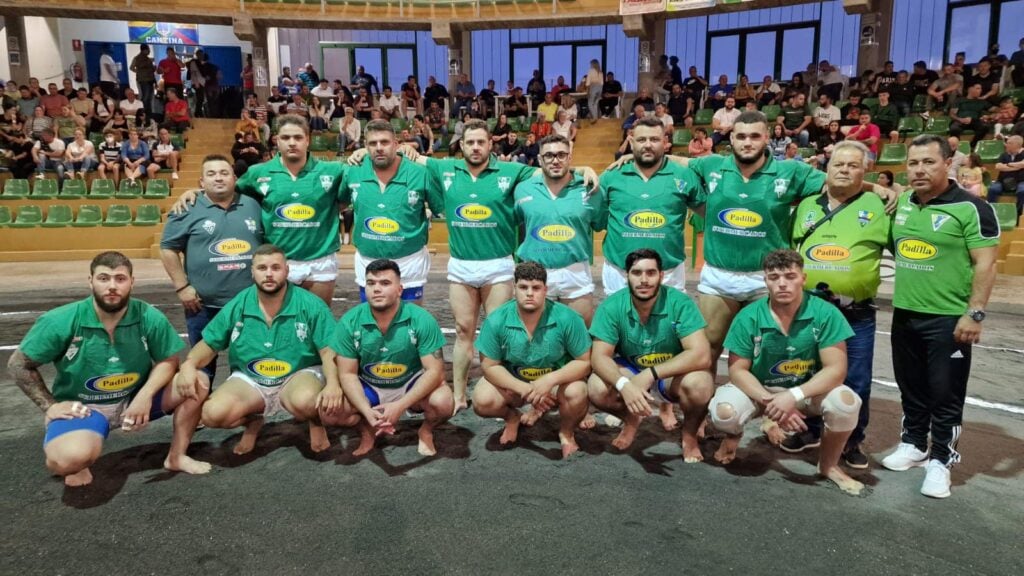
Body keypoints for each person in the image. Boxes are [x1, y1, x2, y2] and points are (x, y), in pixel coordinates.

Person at [7, 252, 210, 487]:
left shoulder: (148, 316)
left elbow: (169, 360)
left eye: (120, 279)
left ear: (132, 282)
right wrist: (50, 406)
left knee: (197, 381)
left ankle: (176, 456)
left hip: (134, 398)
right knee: (66, 460)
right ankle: (77, 455)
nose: (112, 286)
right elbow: (18, 364)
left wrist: (144, 397)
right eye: (104, 278)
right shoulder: (60, 320)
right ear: (90, 281)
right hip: (84, 408)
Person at [883, 134, 1000, 498]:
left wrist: (974, 314)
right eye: (913, 163)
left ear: (948, 163)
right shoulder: (902, 203)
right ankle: (914, 444)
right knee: (911, 386)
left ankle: (941, 461)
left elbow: (987, 264)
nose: (919, 170)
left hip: (949, 318)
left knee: (945, 393)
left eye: (928, 162)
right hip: (905, 312)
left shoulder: (972, 208)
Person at [708, 249, 863, 495]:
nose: (782, 284)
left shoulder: (826, 313)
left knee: (846, 403)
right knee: (724, 412)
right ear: (765, 281)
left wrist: (792, 396)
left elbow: (836, 370)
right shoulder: (748, 316)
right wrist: (773, 402)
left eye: (790, 276)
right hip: (761, 391)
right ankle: (733, 437)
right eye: (774, 277)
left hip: (805, 391)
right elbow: (737, 370)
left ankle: (828, 465)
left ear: (803, 278)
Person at [787, 141, 890, 468]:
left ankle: (851, 441)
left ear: (866, 171)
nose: (844, 170)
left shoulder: (880, 205)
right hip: (810, 312)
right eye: (838, 164)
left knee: (856, 379)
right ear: (826, 169)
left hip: (855, 314)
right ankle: (811, 430)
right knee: (808, 373)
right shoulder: (806, 205)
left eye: (852, 165)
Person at [180, 245, 338, 454]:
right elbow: (209, 345)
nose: (269, 274)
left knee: (308, 402)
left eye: (276, 268)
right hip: (251, 379)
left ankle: (315, 422)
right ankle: (253, 421)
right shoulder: (239, 303)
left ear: (287, 271)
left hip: (298, 375)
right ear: (252, 272)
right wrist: (189, 364)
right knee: (212, 414)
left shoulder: (310, 304)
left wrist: (332, 384)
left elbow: (329, 350)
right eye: (262, 268)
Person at [175, 115, 347, 305]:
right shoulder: (258, 173)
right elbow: (226, 191)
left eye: (298, 137)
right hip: (275, 261)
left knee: (317, 318)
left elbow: (361, 177)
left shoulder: (333, 170)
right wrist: (198, 192)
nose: (292, 143)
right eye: (286, 137)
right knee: (277, 321)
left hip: (320, 260)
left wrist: (361, 151)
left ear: (308, 140)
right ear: (277, 140)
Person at [588, 248, 714, 459]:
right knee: (596, 387)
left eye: (651, 273)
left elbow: (701, 354)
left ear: (661, 276)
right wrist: (624, 385)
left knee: (701, 384)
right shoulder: (611, 306)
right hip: (630, 369)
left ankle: (689, 435)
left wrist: (650, 374)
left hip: (669, 374)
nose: (644, 280)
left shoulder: (680, 303)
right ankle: (631, 419)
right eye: (637, 273)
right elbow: (599, 356)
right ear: (627, 276)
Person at [325, 259, 453, 457]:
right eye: (371, 283)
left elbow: (435, 371)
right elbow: (348, 374)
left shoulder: (421, 319)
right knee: (329, 413)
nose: (376, 289)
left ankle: (426, 431)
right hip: (370, 385)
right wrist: (366, 411)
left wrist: (400, 406)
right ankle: (366, 430)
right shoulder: (349, 321)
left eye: (385, 283)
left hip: (409, 381)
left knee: (443, 402)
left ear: (400, 290)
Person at [472, 261, 592, 457]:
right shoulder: (496, 320)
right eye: (523, 287)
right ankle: (512, 418)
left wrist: (549, 380)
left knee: (577, 392)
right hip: (515, 384)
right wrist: (526, 389)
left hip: (554, 386)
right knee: (482, 400)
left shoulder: (568, 318)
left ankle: (566, 432)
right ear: (514, 289)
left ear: (545, 290)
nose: (529, 293)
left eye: (536, 288)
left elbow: (584, 361)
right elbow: (489, 366)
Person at [160, 154, 263, 381]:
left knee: (250, 367)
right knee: (201, 369)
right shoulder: (187, 207)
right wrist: (182, 287)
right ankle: (201, 401)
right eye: (211, 174)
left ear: (234, 178)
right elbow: (167, 249)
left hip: (248, 305)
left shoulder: (253, 205)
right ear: (201, 181)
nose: (218, 178)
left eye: (224, 173)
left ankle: (244, 403)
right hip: (201, 306)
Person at [599, 118, 703, 297]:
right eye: (641, 140)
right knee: (619, 316)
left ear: (665, 142)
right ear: (631, 142)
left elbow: (708, 213)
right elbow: (597, 219)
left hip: (668, 273)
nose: (647, 145)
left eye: (654, 139)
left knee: (668, 316)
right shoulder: (611, 176)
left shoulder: (684, 175)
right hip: (619, 272)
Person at [514, 134, 605, 325]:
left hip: (575, 272)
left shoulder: (590, 189)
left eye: (561, 155)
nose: (555, 160)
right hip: (534, 273)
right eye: (549, 155)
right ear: (540, 160)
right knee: (534, 335)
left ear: (570, 158)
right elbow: (514, 219)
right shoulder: (523, 189)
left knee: (579, 333)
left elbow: (600, 223)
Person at [340, 120, 433, 305]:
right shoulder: (353, 171)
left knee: (409, 321)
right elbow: (338, 203)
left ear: (396, 144)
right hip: (367, 262)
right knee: (371, 321)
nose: (379, 148)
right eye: (373, 143)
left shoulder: (420, 173)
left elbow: (440, 205)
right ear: (365, 146)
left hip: (410, 263)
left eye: (384, 142)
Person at [986, 135, 1024, 213]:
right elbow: (998, 166)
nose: (1006, 145)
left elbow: (1023, 164)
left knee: (1022, 191)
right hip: (1002, 181)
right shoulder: (1003, 155)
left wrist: (1007, 165)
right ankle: (990, 212)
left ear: (1017, 145)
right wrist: (1017, 167)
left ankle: (1017, 213)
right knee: (992, 189)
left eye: (1010, 143)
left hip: (1021, 181)